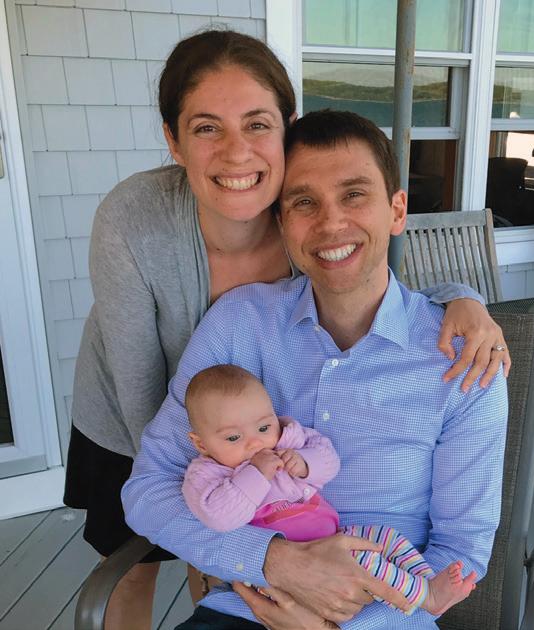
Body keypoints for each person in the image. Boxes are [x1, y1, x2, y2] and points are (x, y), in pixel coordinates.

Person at [62, 27, 508, 630]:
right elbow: (151, 480)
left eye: (355, 195)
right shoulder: (235, 315)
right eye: (304, 203)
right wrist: (274, 564)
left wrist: (334, 620)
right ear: (282, 219)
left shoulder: (464, 360)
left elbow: (460, 556)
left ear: (397, 210)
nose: (331, 224)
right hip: (238, 592)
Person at [182, 364, 478, 619]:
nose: (255, 443)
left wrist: (304, 463)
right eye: (234, 437)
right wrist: (256, 474)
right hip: (286, 572)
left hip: (334, 535)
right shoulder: (208, 474)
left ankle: (427, 581)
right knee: (365, 563)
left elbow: (329, 460)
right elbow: (219, 517)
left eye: (263, 428)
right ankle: (425, 598)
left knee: (387, 538)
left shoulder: (287, 440)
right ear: (201, 443)